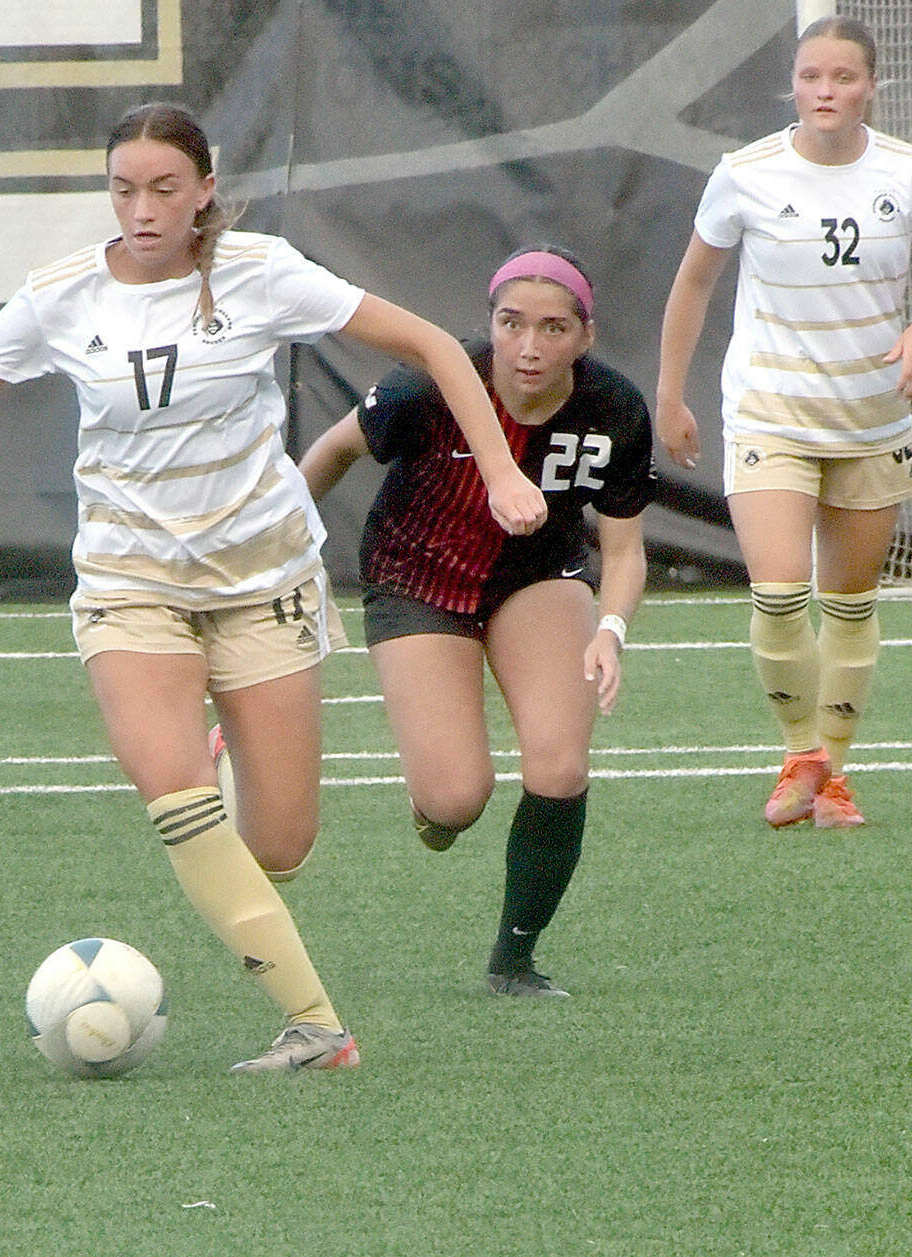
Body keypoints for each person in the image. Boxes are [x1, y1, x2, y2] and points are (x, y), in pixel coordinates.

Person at [0, 102, 546, 1072]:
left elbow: (438, 348)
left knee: (277, 847)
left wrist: (499, 472)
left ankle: (227, 763)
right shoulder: (61, 295)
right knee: (178, 801)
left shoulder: (261, 274)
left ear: (204, 191)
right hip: (129, 586)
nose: (142, 209)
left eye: (164, 188)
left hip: (260, 581)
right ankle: (315, 1027)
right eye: (123, 189)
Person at [299, 244, 655, 997]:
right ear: (489, 323)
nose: (530, 347)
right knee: (454, 798)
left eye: (555, 328)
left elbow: (624, 550)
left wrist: (611, 629)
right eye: (511, 323)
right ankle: (435, 800)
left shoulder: (614, 409)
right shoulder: (426, 388)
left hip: (537, 575)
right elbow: (331, 453)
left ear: (586, 337)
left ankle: (515, 959)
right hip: (416, 577)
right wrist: (279, 551)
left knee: (559, 766)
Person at [655, 17, 912, 830]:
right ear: (793, 84)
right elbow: (692, 284)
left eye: (843, 78)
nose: (825, 91)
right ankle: (801, 754)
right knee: (781, 588)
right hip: (772, 411)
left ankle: (835, 777)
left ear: (872, 86)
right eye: (810, 77)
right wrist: (670, 392)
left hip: (872, 418)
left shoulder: (911, 170)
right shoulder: (746, 172)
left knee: (852, 602)